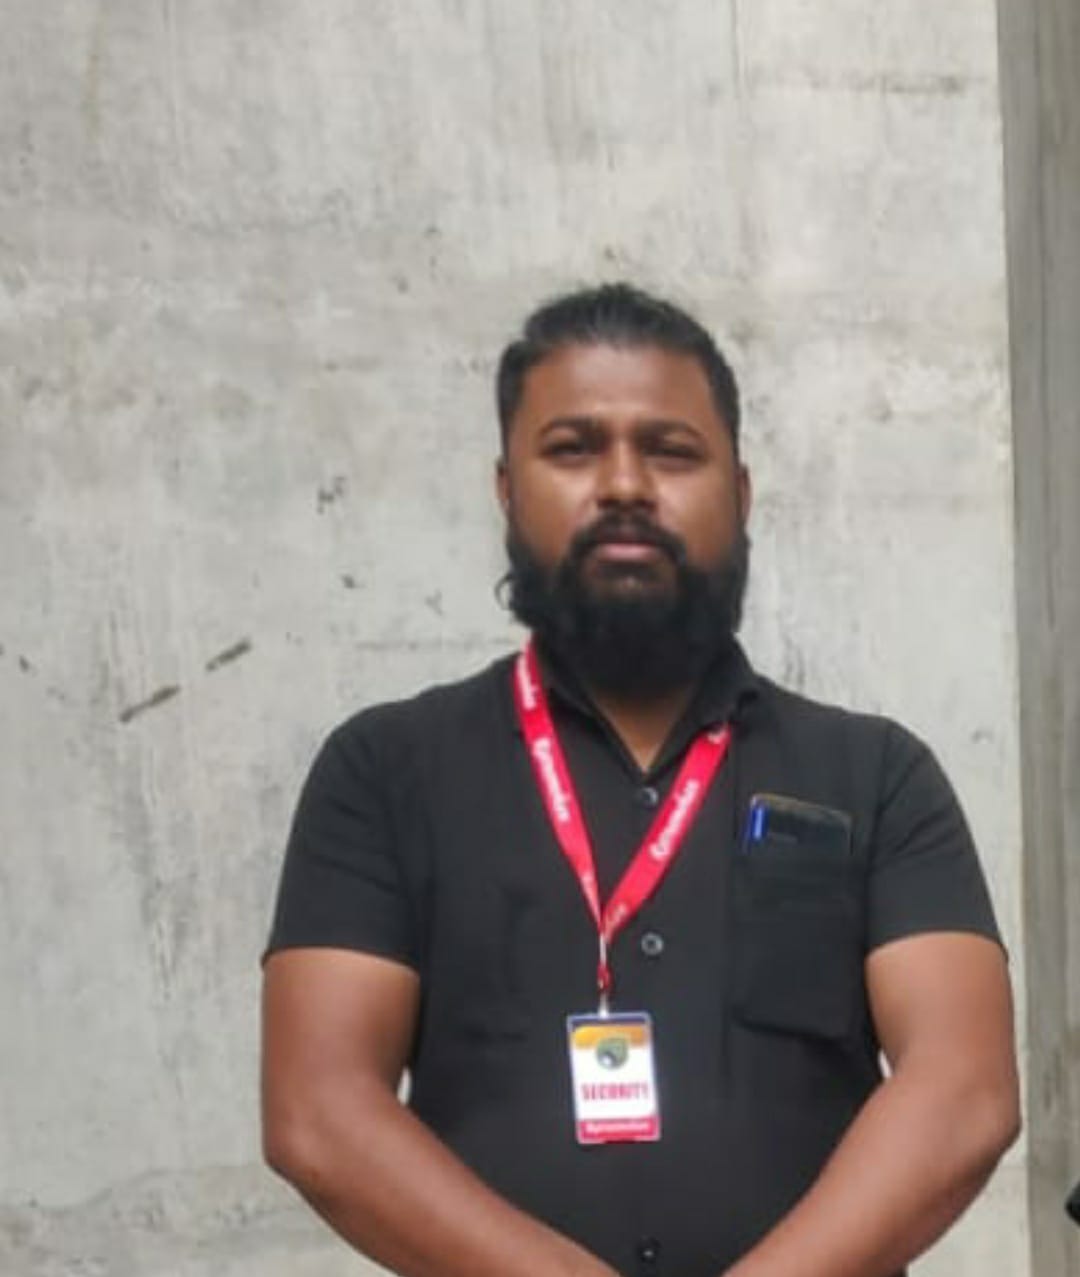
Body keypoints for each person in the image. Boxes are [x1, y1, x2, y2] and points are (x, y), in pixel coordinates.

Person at [261, 283, 1020, 1277]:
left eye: (671, 451)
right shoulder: (384, 770)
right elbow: (320, 1110)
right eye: (574, 448)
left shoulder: (877, 775)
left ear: (740, 494)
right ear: (506, 489)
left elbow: (964, 1091)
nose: (624, 483)